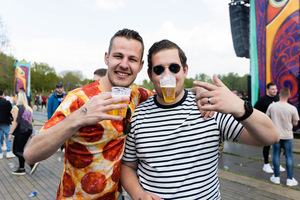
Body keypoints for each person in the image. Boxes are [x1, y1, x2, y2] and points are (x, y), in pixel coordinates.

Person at [120, 39, 280, 200]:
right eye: (159, 69)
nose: (167, 75)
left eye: (174, 68)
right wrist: (138, 193)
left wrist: (239, 106)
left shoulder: (209, 107)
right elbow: (128, 165)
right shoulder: (138, 115)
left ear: (185, 70)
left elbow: (270, 137)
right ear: (150, 74)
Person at [24, 28, 157, 200]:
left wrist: (196, 93)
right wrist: (80, 116)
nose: (124, 64)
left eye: (132, 59)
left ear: (140, 66)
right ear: (106, 58)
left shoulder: (137, 94)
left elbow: (170, 95)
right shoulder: (78, 99)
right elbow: (30, 154)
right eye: (118, 56)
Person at [266, 88, 299, 186]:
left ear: (279, 95)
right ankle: (289, 179)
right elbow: (295, 122)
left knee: (276, 155)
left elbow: (266, 118)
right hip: (288, 136)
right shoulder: (292, 108)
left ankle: (276, 177)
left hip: (276, 135)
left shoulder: (272, 106)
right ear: (288, 95)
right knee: (289, 156)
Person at [254, 82, 284, 173]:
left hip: (278, 126)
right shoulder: (262, 100)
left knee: (278, 146)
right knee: (267, 145)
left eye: (276, 89)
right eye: (272, 89)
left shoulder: (278, 98)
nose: (275, 91)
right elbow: (255, 111)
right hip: (266, 125)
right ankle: (266, 164)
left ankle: (276, 164)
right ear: (268, 90)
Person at [8, 91, 39, 175]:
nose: (15, 98)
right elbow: (30, 122)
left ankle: (31, 163)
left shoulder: (16, 107)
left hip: (20, 130)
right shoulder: (29, 108)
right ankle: (21, 169)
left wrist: (10, 133)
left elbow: (15, 122)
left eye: (16, 97)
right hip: (27, 130)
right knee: (20, 150)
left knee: (15, 151)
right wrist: (31, 133)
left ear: (19, 98)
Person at [0, 89, 15, 159]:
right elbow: (11, 113)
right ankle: (8, 152)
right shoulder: (7, 102)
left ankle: (0, 153)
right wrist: (12, 119)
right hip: (6, 122)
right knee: (8, 136)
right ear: (3, 94)